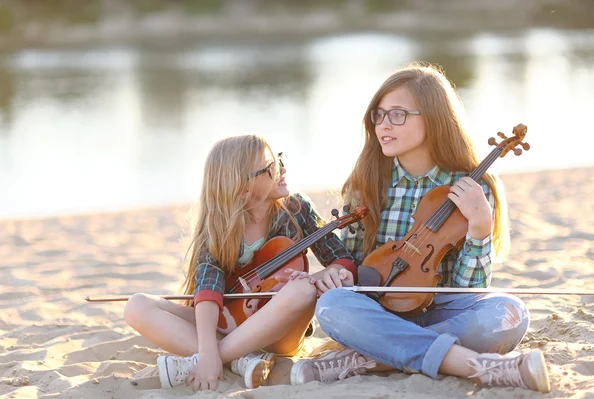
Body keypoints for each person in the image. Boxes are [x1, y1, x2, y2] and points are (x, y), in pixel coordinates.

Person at [290, 63, 551, 393]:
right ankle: (465, 362)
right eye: (379, 115)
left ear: (433, 118)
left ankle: (373, 358)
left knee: (509, 313)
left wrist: (481, 229)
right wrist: (338, 276)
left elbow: (467, 292)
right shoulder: (367, 184)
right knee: (332, 305)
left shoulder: (469, 186)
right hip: (380, 310)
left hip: (442, 312)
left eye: (398, 114)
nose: (383, 124)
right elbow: (357, 275)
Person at [123, 134, 357, 391]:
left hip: (279, 332)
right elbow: (207, 291)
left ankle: (215, 359)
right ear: (243, 188)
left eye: (278, 160)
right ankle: (242, 360)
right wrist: (207, 345)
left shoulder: (296, 208)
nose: (283, 169)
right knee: (136, 306)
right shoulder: (218, 225)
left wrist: (323, 276)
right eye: (271, 168)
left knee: (303, 289)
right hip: (228, 323)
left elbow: (341, 259)